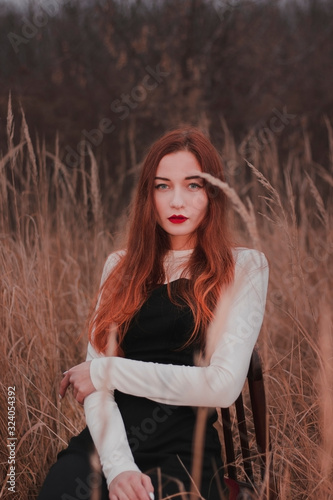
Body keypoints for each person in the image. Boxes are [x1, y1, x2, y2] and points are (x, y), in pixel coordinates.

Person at [38, 127, 269, 500]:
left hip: (184, 451)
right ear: (149, 195)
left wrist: (106, 371)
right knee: (63, 491)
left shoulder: (244, 266)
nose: (177, 201)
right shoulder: (119, 267)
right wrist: (119, 469)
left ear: (212, 193)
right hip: (107, 445)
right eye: (163, 186)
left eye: (193, 185)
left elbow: (223, 386)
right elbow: (97, 392)